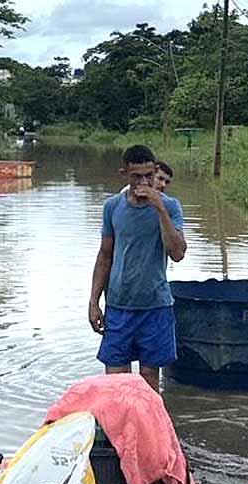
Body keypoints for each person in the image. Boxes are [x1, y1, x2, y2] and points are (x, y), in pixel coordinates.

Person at [89, 145, 187, 394]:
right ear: (124, 174)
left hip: (155, 305)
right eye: (136, 176)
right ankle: (117, 430)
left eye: (148, 175)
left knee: (149, 380)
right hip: (119, 305)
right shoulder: (113, 207)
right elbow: (105, 255)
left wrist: (160, 209)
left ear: (155, 172)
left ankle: (148, 431)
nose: (143, 181)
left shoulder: (171, 206)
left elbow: (177, 253)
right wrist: (93, 301)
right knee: (115, 382)